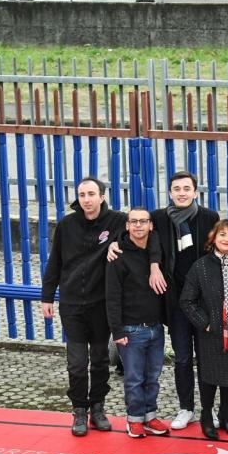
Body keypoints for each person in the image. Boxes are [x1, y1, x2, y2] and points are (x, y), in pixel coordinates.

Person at [42, 177, 156, 437]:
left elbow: (145, 233)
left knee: (100, 360)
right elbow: (54, 263)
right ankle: (79, 410)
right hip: (72, 304)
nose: (86, 199)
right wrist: (47, 296)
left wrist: (123, 245)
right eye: (82, 194)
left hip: (101, 304)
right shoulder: (66, 224)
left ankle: (98, 408)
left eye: (91, 194)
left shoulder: (118, 221)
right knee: (77, 362)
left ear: (102, 196)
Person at [150, 171, 221, 431]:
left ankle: (208, 410)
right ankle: (186, 408)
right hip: (176, 301)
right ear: (170, 193)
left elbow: (220, 249)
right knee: (181, 358)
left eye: (186, 188)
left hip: (203, 301)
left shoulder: (208, 217)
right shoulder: (158, 218)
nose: (181, 193)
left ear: (195, 192)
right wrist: (154, 266)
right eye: (176, 189)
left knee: (206, 358)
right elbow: (138, 237)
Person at [180, 219, 228, 441]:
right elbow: (187, 300)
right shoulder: (200, 266)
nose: (226, 239)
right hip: (210, 332)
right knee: (209, 377)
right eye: (222, 235)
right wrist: (205, 323)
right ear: (214, 238)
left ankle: (225, 413)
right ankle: (206, 415)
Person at [105, 207, 168, 439]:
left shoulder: (156, 251)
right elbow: (112, 297)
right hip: (131, 330)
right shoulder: (117, 256)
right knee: (134, 379)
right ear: (127, 226)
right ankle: (134, 420)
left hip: (155, 328)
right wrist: (117, 330)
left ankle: (150, 416)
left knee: (153, 376)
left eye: (143, 222)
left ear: (151, 225)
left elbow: (159, 242)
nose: (139, 226)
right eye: (134, 222)